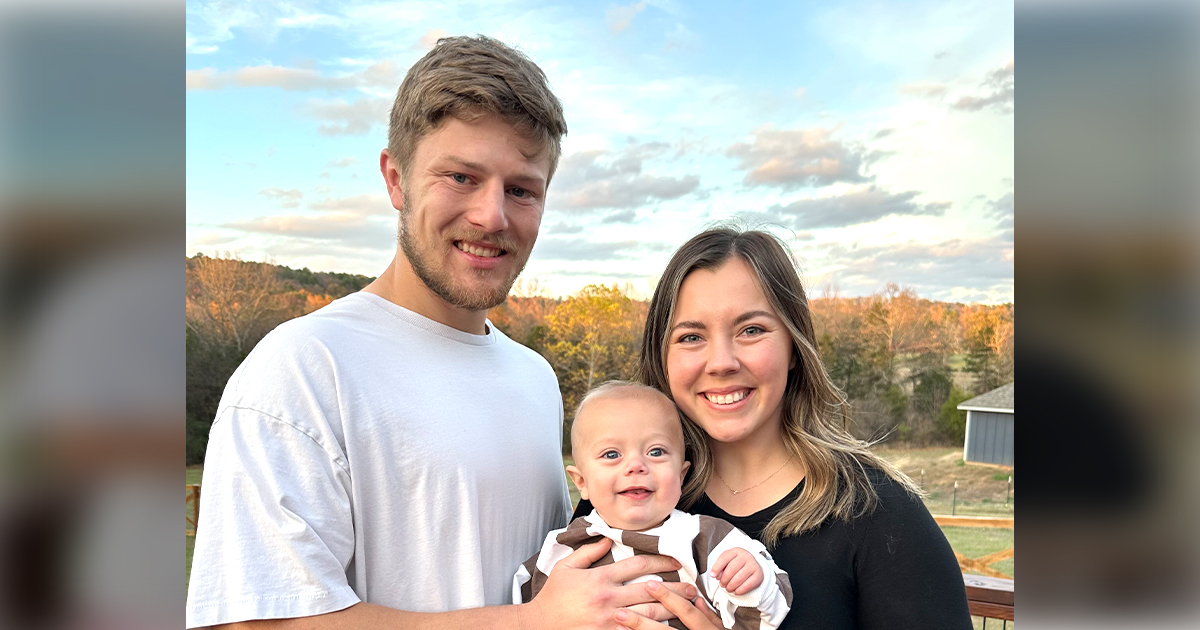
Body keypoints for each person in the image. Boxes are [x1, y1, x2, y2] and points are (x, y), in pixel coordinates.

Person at [185, 35, 692, 630]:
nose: (492, 216)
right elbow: (253, 622)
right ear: (396, 180)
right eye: (460, 177)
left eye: (521, 189)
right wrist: (529, 623)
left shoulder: (534, 379)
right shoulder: (304, 369)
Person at [579, 227, 974, 630]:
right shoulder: (620, 497)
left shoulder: (879, 515)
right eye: (691, 336)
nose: (721, 362)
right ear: (662, 357)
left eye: (751, 330)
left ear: (793, 346)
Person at [515, 382, 792, 630]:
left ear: (681, 475)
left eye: (656, 452)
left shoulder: (706, 540)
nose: (636, 466)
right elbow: (522, 611)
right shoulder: (564, 548)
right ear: (581, 481)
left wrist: (750, 584)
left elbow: (765, 617)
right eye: (612, 454)